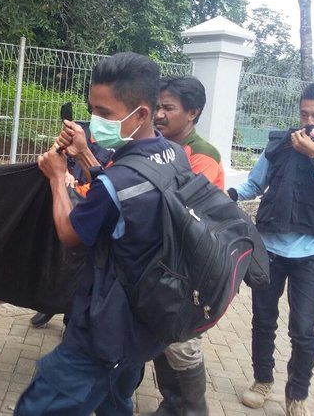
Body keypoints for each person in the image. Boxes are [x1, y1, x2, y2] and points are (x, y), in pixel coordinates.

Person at [15, 52, 189, 415]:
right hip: (146, 318)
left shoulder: (118, 179)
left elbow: (69, 233)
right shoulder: (174, 155)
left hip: (104, 325)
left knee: (38, 407)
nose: (94, 121)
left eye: (105, 114)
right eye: (91, 109)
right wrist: (85, 157)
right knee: (115, 400)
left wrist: (55, 180)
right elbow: (122, 197)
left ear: (141, 113)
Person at [229, 81, 314, 416]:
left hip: (312, 253)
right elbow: (253, 184)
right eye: (304, 113)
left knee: (304, 329)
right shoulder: (279, 144)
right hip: (270, 250)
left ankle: (298, 394)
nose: (309, 121)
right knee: (263, 319)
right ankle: (262, 380)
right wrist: (225, 195)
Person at [141, 75, 225, 416]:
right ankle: (171, 405)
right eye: (157, 106)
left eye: (168, 108)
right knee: (165, 338)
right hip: (165, 261)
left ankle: (192, 410)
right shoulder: (160, 148)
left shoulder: (202, 155)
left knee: (183, 343)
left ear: (192, 112)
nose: (159, 114)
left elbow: (180, 207)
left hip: (191, 266)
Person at [29, 122, 114, 328]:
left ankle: (71, 320)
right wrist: (62, 171)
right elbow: (52, 153)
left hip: (87, 207)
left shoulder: (117, 143)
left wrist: (77, 186)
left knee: (78, 266)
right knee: (55, 258)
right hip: (61, 199)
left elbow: (107, 182)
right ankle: (50, 304)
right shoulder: (78, 131)